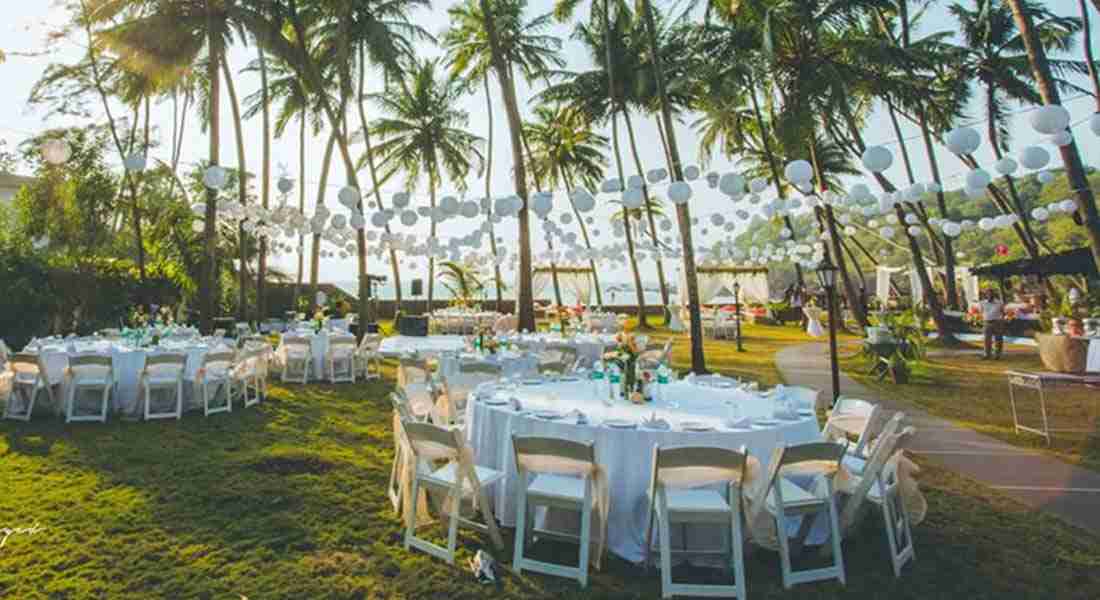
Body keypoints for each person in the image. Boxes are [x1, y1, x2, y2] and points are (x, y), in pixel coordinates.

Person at [979, 289, 1005, 360]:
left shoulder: (999, 302)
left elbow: (1002, 312)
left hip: (997, 322)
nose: (990, 295)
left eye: (991, 294)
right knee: (986, 340)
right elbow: (981, 312)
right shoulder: (982, 303)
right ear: (986, 295)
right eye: (988, 294)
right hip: (987, 322)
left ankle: (998, 354)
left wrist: (1001, 321)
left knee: (998, 339)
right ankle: (987, 354)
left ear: (994, 294)